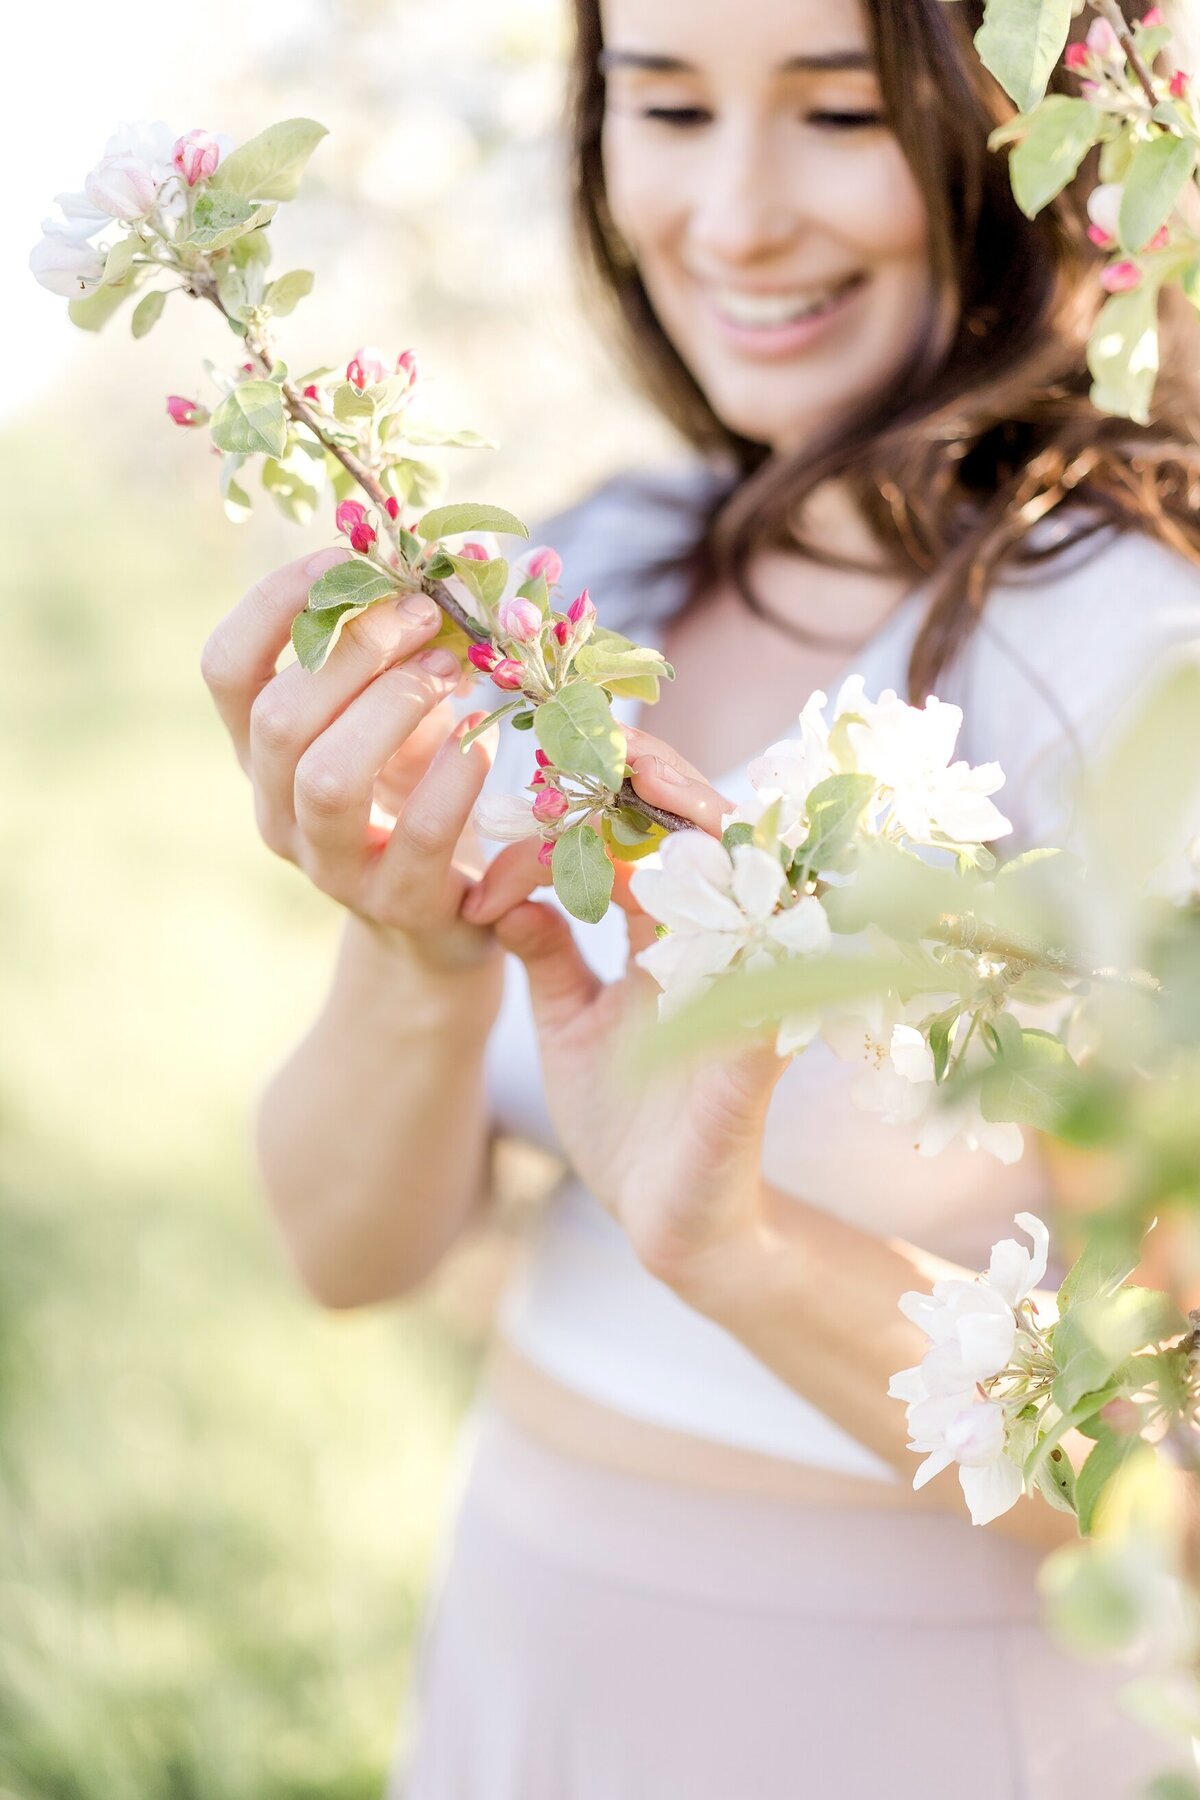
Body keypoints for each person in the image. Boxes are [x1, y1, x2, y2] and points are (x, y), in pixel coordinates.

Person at [200, 0, 1200, 1792]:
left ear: (1039, 125)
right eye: (665, 103)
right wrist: (415, 961)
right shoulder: (592, 575)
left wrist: (735, 1251)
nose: (733, 217)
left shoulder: (1133, 655)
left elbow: (1178, 1494)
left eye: (837, 114)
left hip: (906, 1730)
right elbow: (345, 1256)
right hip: (522, 1659)